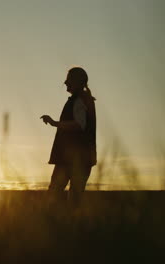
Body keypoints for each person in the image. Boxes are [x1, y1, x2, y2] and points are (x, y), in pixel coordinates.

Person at [41, 67, 96, 206]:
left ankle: (56, 224)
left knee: (55, 195)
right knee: (74, 200)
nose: (65, 82)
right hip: (82, 158)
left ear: (77, 82)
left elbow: (79, 125)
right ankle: (69, 225)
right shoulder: (83, 100)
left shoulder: (79, 100)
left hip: (71, 158)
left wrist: (55, 123)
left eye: (69, 79)